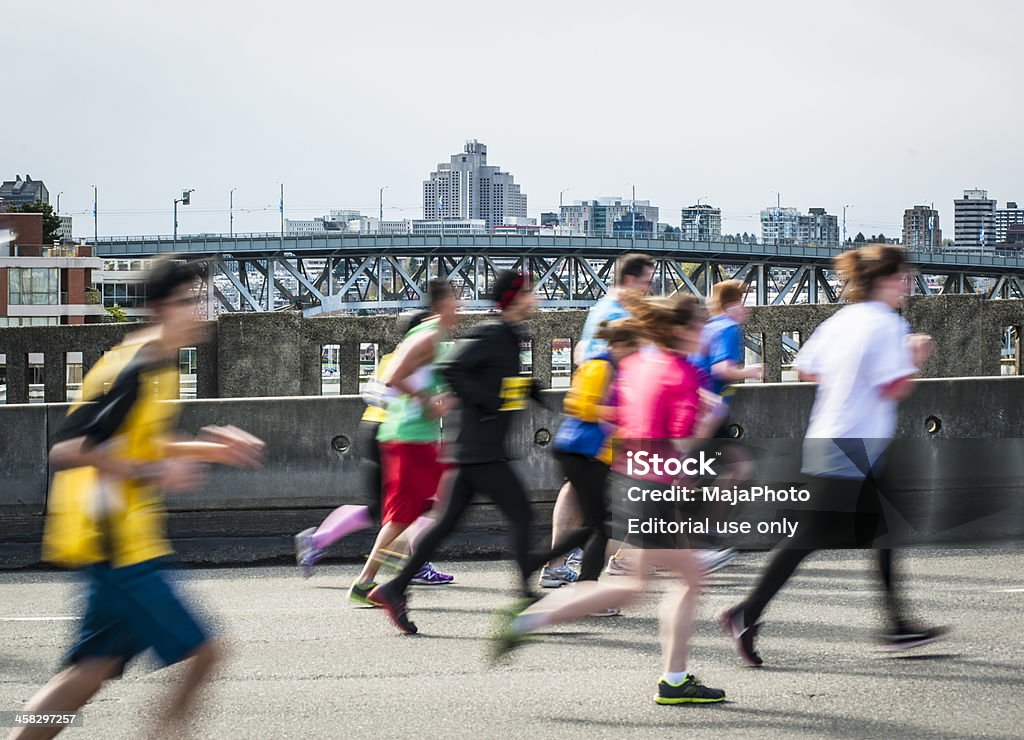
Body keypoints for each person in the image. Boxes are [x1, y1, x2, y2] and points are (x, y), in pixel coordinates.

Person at [12, 259, 265, 740]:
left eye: (203, 300)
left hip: (123, 541)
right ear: (156, 308)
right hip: (116, 546)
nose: (200, 312)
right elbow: (69, 449)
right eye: (188, 302)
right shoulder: (135, 367)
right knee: (207, 652)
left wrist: (212, 449)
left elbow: (134, 444)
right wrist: (155, 470)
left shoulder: (159, 367)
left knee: (87, 674)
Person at [492, 293, 730, 706]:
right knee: (688, 579)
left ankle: (531, 621)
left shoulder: (638, 365)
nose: (704, 333)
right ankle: (673, 679)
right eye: (698, 326)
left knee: (634, 586)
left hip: (627, 479)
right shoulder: (682, 374)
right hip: (655, 486)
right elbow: (677, 440)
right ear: (679, 330)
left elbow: (614, 416)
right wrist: (704, 427)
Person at [720, 244, 947, 667]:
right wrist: (913, 358)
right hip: (856, 440)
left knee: (884, 530)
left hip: (834, 433)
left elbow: (807, 369)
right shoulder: (887, 325)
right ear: (884, 279)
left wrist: (848, 378)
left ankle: (897, 626)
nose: (908, 285)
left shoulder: (841, 320)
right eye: (904, 277)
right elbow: (893, 388)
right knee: (809, 536)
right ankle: (744, 613)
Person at [369, 270, 542, 634]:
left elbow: (491, 378)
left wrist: (526, 387)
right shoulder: (493, 334)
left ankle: (395, 588)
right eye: (529, 293)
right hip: (481, 451)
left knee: (444, 525)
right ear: (512, 298)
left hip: (475, 451)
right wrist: (488, 402)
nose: (535, 299)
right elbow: (454, 369)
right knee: (523, 516)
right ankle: (526, 596)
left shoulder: (510, 337)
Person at [293, 308, 452, 587]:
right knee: (402, 508)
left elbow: (371, 392)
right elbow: (391, 394)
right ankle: (322, 542)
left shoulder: (395, 357)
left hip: (376, 428)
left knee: (391, 507)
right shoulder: (414, 360)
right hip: (393, 435)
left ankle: (322, 541)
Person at [541, 253, 654, 583]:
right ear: (631, 281)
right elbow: (590, 365)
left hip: (598, 432)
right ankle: (607, 564)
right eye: (646, 283)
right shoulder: (613, 315)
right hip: (603, 430)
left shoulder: (607, 310)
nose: (648, 290)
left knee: (585, 498)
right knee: (610, 509)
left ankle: (557, 563)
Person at [347, 282, 460, 604]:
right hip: (406, 436)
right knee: (402, 517)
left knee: (433, 507)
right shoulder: (427, 336)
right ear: (440, 305)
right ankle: (368, 581)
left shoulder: (437, 336)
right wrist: (428, 401)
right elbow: (393, 376)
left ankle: (395, 569)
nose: (461, 307)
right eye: (456, 301)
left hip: (418, 436)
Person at [538, 319, 641, 596]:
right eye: (635, 347)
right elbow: (579, 405)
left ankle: (551, 567)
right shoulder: (600, 366)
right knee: (602, 525)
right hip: (583, 452)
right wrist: (618, 415)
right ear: (622, 344)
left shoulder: (611, 367)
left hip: (589, 454)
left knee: (596, 523)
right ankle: (586, 589)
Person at [687, 279, 764, 572]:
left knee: (688, 476)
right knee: (737, 468)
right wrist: (751, 371)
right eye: (743, 301)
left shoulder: (709, 326)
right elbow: (722, 369)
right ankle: (703, 538)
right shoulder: (730, 328)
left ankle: (702, 537)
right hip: (707, 413)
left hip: (699, 411)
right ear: (731, 304)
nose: (748, 308)